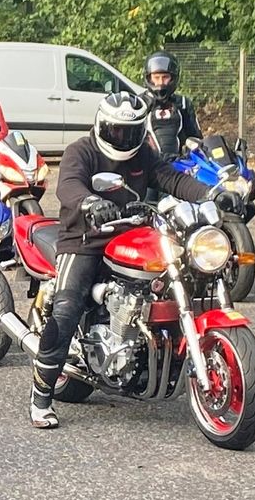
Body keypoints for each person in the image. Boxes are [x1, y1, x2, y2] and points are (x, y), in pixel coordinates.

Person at [30, 92, 243, 429]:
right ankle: (41, 396)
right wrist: (88, 202)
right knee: (68, 307)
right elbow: (68, 185)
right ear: (102, 124)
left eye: (130, 132)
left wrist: (210, 194)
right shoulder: (80, 151)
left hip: (133, 232)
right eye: (117, 131)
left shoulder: (142, 151)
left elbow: (172, 178)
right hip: (85, 239)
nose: (123, 138)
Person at [142, 51, 202, 160]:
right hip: (148, 166)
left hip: (178, 166)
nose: (160, 82)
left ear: (173, 78)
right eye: (156, 77)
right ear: (149, 78)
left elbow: (195, 138)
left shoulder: (183, 103)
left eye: (165, 77)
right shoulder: (139, 104)